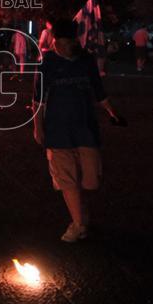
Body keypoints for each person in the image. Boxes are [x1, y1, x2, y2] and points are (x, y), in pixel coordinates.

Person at [34, 19, 125, 242]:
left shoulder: (85, 60)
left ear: (72, 41)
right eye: (58, 42)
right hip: (57, 130)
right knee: (67, 180)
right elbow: (38, 100)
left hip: (85, 127)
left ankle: (80, 213)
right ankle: (77, 225)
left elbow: (98, 90)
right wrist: (37, 127)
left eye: (64, 42)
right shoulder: (48, 62)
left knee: (91, 181)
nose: (60, 46)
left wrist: (112, 112)